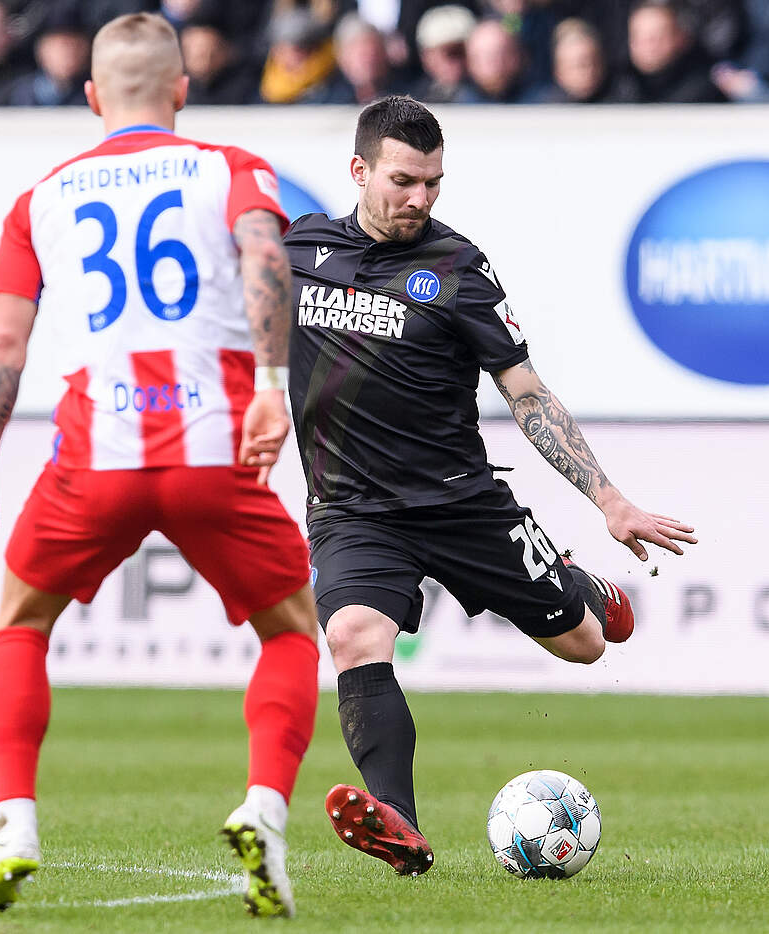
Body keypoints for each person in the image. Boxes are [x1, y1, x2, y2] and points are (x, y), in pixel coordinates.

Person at [0, 11, 319, 919]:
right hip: (215, 446)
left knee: (21, 624)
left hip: (95, 454)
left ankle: (14, 827)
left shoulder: (41, 198)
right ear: (181, 90)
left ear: (91, 96)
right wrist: (274, 387)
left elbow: (5, 343)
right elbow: (266, 255)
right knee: (293, 633)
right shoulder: (230, 167)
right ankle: (263, 811)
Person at [282, 96, 697, 874]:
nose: (421, 198)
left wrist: (609, 500)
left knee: (584, 644)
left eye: (433, 183)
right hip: (353, 511)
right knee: (352, 636)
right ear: (359, 170)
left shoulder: (459, 269)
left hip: (461, 504)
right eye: (404, 181)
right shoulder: (300, 249)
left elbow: (526, 392)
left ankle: (576, 581)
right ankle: (399, 827)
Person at [609, 0, 726, 102]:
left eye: (658, 37)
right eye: (639, 37)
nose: (648, 46)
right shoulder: (616, 87)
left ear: (682, 37)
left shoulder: (706, 90)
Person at [6, 8, 89, 106]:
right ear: (42, 50)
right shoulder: (17, 93)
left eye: (76, 46)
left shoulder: (93, 92)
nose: (69, 53)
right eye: (61, 46)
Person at [408, 4, 476, 104]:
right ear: (426, 57)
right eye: (452, 53)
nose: (461, 62)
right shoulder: (413, 99)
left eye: (469, 52)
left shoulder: (491, 95)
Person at [539, 17, 611, 103]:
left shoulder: (622, 97)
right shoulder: (541, 107)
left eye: (595, 62)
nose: (590, 71)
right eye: (580, 65)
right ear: (558, 71)